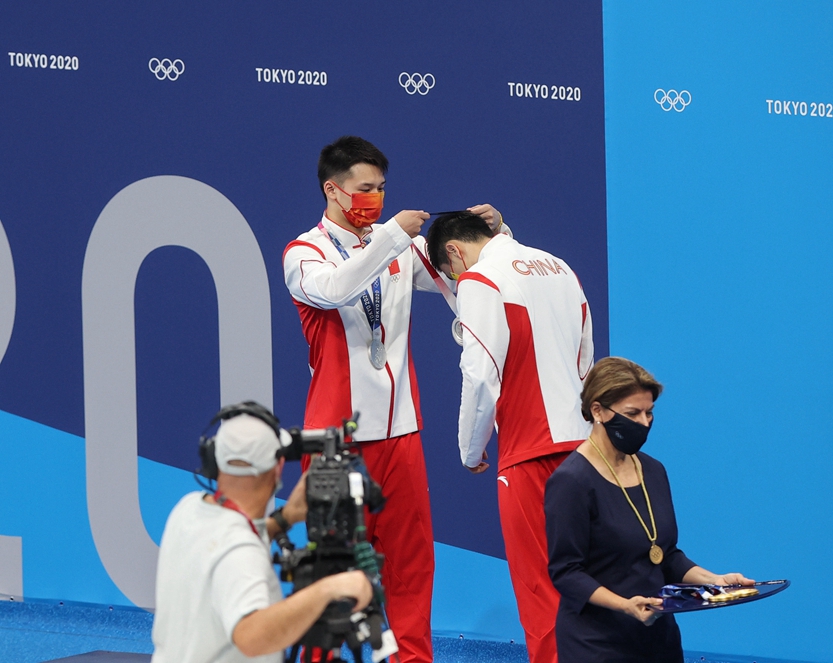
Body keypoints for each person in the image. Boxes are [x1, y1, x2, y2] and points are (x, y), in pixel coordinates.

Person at [282, 136, 504, 663]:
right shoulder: (303, 253)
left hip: (401, 433)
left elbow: (466, 281)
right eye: (365, 188)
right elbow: (335, 290)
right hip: (337, 439)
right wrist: (390, 238)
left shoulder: (400, 248)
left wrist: (493, 238)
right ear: (332, 191)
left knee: (410, 562)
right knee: (334, 569)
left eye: (382, 187)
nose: (376, 197)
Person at [425, 211, 594, 663]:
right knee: (596, 585)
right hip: (587, 449)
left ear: (454, 253)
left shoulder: (478, 280)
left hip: (529, 454)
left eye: (450, 275)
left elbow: (481, 374)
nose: (456, 283)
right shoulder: (560, 267)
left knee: (543, 591)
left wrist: (470, 448)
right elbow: (586, 360)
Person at [544, 357, 754, 662]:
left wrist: (715, 581)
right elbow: (566, 572)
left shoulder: (654, 471)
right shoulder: (570, 481)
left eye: (649, 412)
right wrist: (625, 606)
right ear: (598, 410)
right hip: (596, 644)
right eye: (633, 413)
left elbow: (665, 555)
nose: (644, 423)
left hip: (658, 637)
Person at [152, 407, 373, 663]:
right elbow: (251, 636)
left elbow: (221, 543)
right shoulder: (241, 553)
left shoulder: (188, 509)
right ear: (278, 468)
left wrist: (284, 519)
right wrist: (330, 588)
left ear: (215, 459)